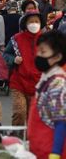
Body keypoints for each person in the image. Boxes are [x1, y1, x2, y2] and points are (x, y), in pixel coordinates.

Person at [28, 30, 66, 159]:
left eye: (43, 52)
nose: (38, 55)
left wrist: (55, 153)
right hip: (39, 149)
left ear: (57, 57)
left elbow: (61, 122)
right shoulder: (46, 78)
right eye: (38, 51)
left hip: (50, 151)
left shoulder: (57, 84)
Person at [3, 10, 43, 126]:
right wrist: (13, 60)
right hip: (19, 82)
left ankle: (32, 142)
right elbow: (6, 54)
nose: (34, 24)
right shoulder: (16, 39)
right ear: (25, 24)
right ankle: (16, 140)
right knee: (19, 113)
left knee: (34, 118)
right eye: (31, 21)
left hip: (39, 84)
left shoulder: (46, 39)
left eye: (37, 21)